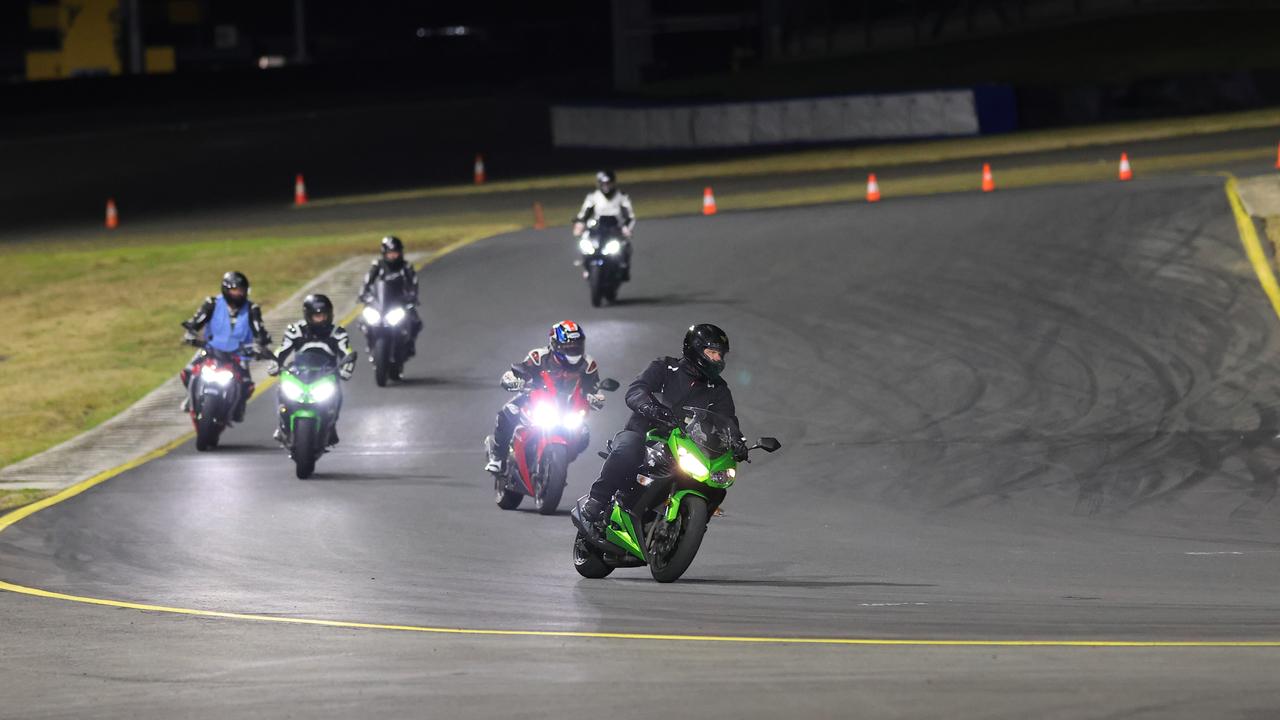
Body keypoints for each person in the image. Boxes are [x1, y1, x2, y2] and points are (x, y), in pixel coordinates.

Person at [580, 323, 748, 522]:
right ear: (695, 348)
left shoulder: (718, 388)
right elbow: (637, 389)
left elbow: (727, 419)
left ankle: (692, 526)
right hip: (645, 434)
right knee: (627, 450)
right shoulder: (665, 367)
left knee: (717, 482)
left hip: (686, 445)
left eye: (721, 355)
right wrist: (647, 406)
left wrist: (737, 440)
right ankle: (597, 499)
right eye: (712, 352)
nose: (718, 359)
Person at [485, 320, 606, 473]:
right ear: (555, 344)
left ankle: (557, 464)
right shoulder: (539, 357)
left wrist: (596, 397)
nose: (573, 351)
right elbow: (518, 371)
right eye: (568, 347)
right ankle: (498, 457)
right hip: (536, 398)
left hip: (568, 406)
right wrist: (513, 380)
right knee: (508, 411)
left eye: (576, 346)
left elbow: (593, 387)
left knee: (583, 434)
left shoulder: (588, 364)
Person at [179, 271, 271, 422]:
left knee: (246, 384)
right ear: (226, 290)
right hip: (211, 348)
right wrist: (190, 333)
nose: (238, 294)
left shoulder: (251, 308)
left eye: (241, 290)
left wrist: (261, 344)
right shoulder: (212, 303)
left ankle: (238, 408)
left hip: (239, 352)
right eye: (235, 290)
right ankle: (191, 398)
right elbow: (196, 320)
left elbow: (259, 329)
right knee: (188, 371)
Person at [267, 294, 356, 446]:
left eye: (324, 315)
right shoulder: (295, 330)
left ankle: (331, 425)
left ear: (330, 314)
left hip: (326, 375)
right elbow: (282, 350)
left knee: (338, 393)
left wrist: (346, 369)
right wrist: (275, 364)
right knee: (281, 389)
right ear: (308, 315)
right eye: (317, 316)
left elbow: (347, 353)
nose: (321, 319)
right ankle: (282, 425)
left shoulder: (338, 333)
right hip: (299, 373)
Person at [358, 235, 423, 364]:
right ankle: (370, 342)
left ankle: (409, 344)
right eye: (390, 253)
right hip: (381, 303)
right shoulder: (378, 266)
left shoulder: (406, 267)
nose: (393, 256)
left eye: (395, 253)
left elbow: (414, 284)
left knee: (415, 321)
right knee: (363, 320)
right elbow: (367, 282)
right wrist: (364, 294)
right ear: (384, 253)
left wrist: (412, 296)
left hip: (400, 302)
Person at [573, 170, 635, 280]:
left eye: (608, 183)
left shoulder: (622, 196)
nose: (606, 186)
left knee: (625, 245)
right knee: (585, 243)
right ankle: (586, 265)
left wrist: (626, 228)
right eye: (603, 183)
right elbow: (584, 214)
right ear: (599, 184)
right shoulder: (592, 197)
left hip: (616, 228)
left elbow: (629, 216)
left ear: (613, 183)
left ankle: (623, 268)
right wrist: (579, 224)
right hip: (598, 228)